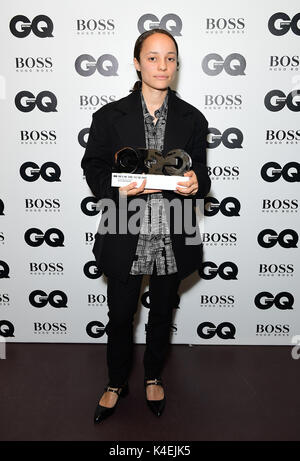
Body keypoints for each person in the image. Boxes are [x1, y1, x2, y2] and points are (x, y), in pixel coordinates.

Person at [81, 28, 211, 423]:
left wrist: (196, 184)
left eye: (170, 57)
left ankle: (153, 375)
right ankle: (115, 381)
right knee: (120, 316)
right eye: (153, 57)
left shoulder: (193, 118)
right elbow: (94, 167)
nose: (162, 65)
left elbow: (201, 171)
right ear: (137, 63)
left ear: (176, 65)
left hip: (173, 236)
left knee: (161, 316)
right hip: (125, 231)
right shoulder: (108, 116)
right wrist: (116, 192)